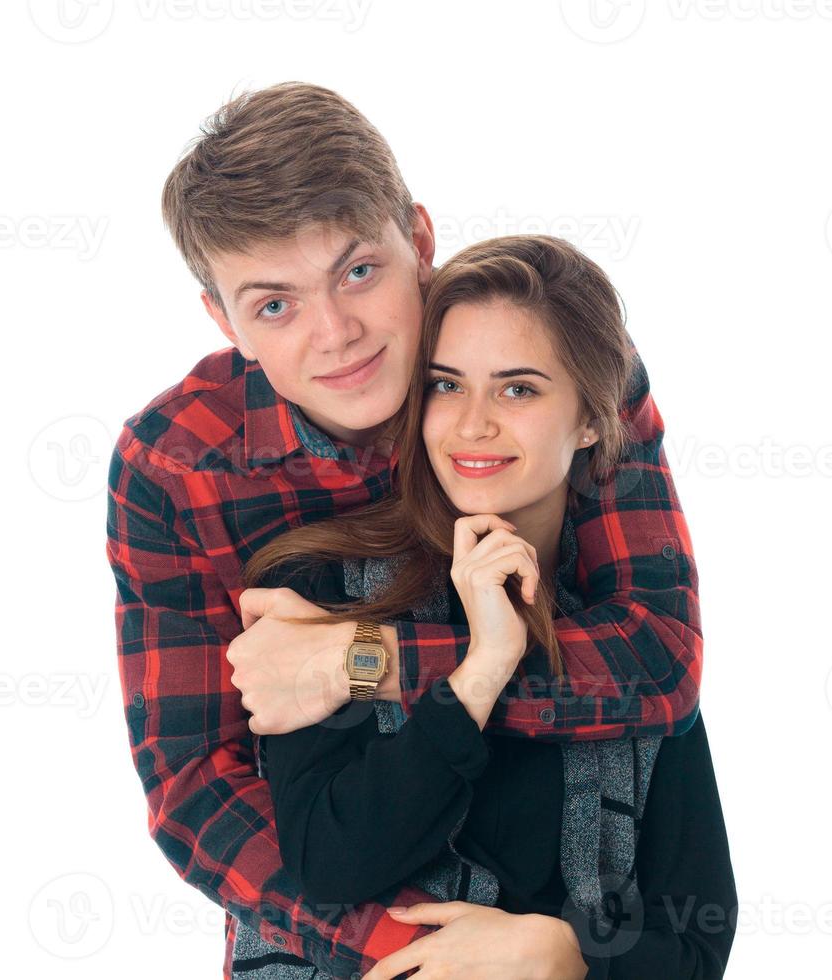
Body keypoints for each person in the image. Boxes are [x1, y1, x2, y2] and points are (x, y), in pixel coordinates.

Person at [106, 82, 705, 979]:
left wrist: (357, 662)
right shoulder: (175, 466)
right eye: (275, 305)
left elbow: (657, 658)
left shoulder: (553, 362)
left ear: (418, 240)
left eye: (358, 271)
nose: (336, 333)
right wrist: (416, 954)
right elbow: (197, 794)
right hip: (335, 937)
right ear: (223, 320)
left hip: (567, 895)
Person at [246, 236, 735, 979]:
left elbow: (697, 943)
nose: (473, 424)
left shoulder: (631, 642)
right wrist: (479, 672)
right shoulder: (324, 589)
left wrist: (563, 954)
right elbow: (330, 860)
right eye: (446, 385)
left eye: (518, 389)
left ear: (594, 421)